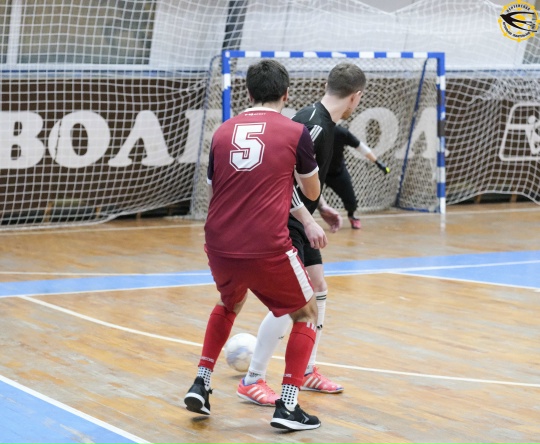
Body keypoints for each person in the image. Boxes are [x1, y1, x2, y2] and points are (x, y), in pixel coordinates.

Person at [183, 59, 325, 431]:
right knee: (307, 313)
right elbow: (312, 192)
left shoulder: (222, 132)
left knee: (229, 303)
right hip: (266, 243)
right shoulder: (295, 132)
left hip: (218, 242)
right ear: (286, 94)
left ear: (247, 93)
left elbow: (215, 192)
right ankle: (288, 405)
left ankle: (201, 382)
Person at [237, 63, 367, 406]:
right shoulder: (313, 125)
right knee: (292, 301)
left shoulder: (323, 122)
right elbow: (281, 179)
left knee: (318, 286)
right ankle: (253, 378)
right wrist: (306, 219)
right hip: (284, 220)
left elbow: (301, 177)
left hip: (299, 216)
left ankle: (307, 370)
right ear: (356, 97)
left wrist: (320, 206)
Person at [326, 125, 390, 229]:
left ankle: (352, 216)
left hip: (338, 172)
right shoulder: (316, 130)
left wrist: (378, 162)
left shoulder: (341, 132)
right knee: (308, 197)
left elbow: (360, 146)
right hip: (318, 172)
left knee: (350, 198)